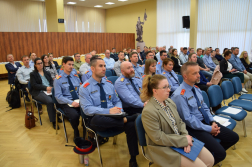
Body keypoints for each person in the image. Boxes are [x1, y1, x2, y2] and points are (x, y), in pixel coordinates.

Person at [171, 62, 239, 165]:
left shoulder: (196, 89)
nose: (198, 75)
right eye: (195, 73)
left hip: (206, 122)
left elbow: (205, 107)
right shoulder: (179, 95)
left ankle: (210, 157)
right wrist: (209, 129)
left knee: (233, 137)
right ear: (185, 76)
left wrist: (212, 122)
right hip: (194, 128)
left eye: (198, 72)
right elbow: (188, 120)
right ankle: (207, 161)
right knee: (221, 153)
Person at [141, 74, 214, 167]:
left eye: (168, 86)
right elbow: (158, 138)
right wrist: (183, 140)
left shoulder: (169, 101)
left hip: (180, 139)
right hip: (163, 147)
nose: (169, 90)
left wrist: (185, 136)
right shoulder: (149, 111)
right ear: (155, 91)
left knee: (210, 160)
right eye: (164, 87)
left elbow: (180, 122)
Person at [79, 56, 140, 167]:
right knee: (96, 119)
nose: (104, 68)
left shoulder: (109, 84)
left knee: (131, 125)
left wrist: (119, 110)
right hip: (99, 121)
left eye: (104, 66)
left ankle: (133, 158)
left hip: (116, 118)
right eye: (100, 66)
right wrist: (108, 111)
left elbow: (117, 100)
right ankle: (129, 118)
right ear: (92, 68)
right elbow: (87, 109)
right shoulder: (84, 87)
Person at [54, 56, 82, 140]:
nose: (71, 66)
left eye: (72, 65)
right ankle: (76, 131)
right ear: (63, 64)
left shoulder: (75, 77)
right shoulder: (58, 80)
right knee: (74, 116)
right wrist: (71, 102)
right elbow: (58, 97)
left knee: (89, 110)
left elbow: (80, 90)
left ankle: (87, 129)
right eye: (69, 64)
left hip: (77, 100)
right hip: (65, 102)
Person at [30, 58, 61, 129]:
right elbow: (34, 85)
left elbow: (51, 81)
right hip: (39, 92)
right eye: (38, 63)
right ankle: (54, 121)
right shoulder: (33, 74)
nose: (40, 64)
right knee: (50, 102)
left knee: (58, 98)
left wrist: (50, 87)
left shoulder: (47, 72)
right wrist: (45, 88)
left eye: (41, 63)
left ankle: (58, 115)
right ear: (35, 65)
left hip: (49, 89)